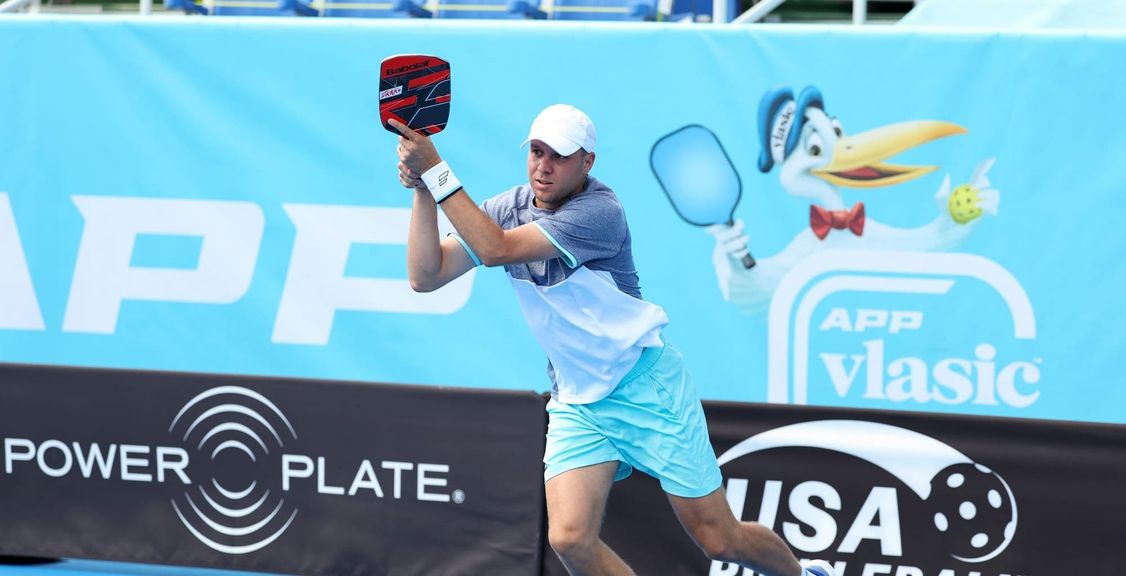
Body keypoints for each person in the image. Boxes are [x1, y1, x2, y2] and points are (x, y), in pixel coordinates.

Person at [389, 105, 836, 576]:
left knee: (719, 539)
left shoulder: (600, 212)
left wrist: (436, 170)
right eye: (537, 152)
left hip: (646, 387)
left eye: (559, 156)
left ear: (587, 163)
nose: (544, 166)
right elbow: (427, 275)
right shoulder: (508, 207)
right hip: (578, 402)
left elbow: (496, 249)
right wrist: (422, 190)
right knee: (569, 539)